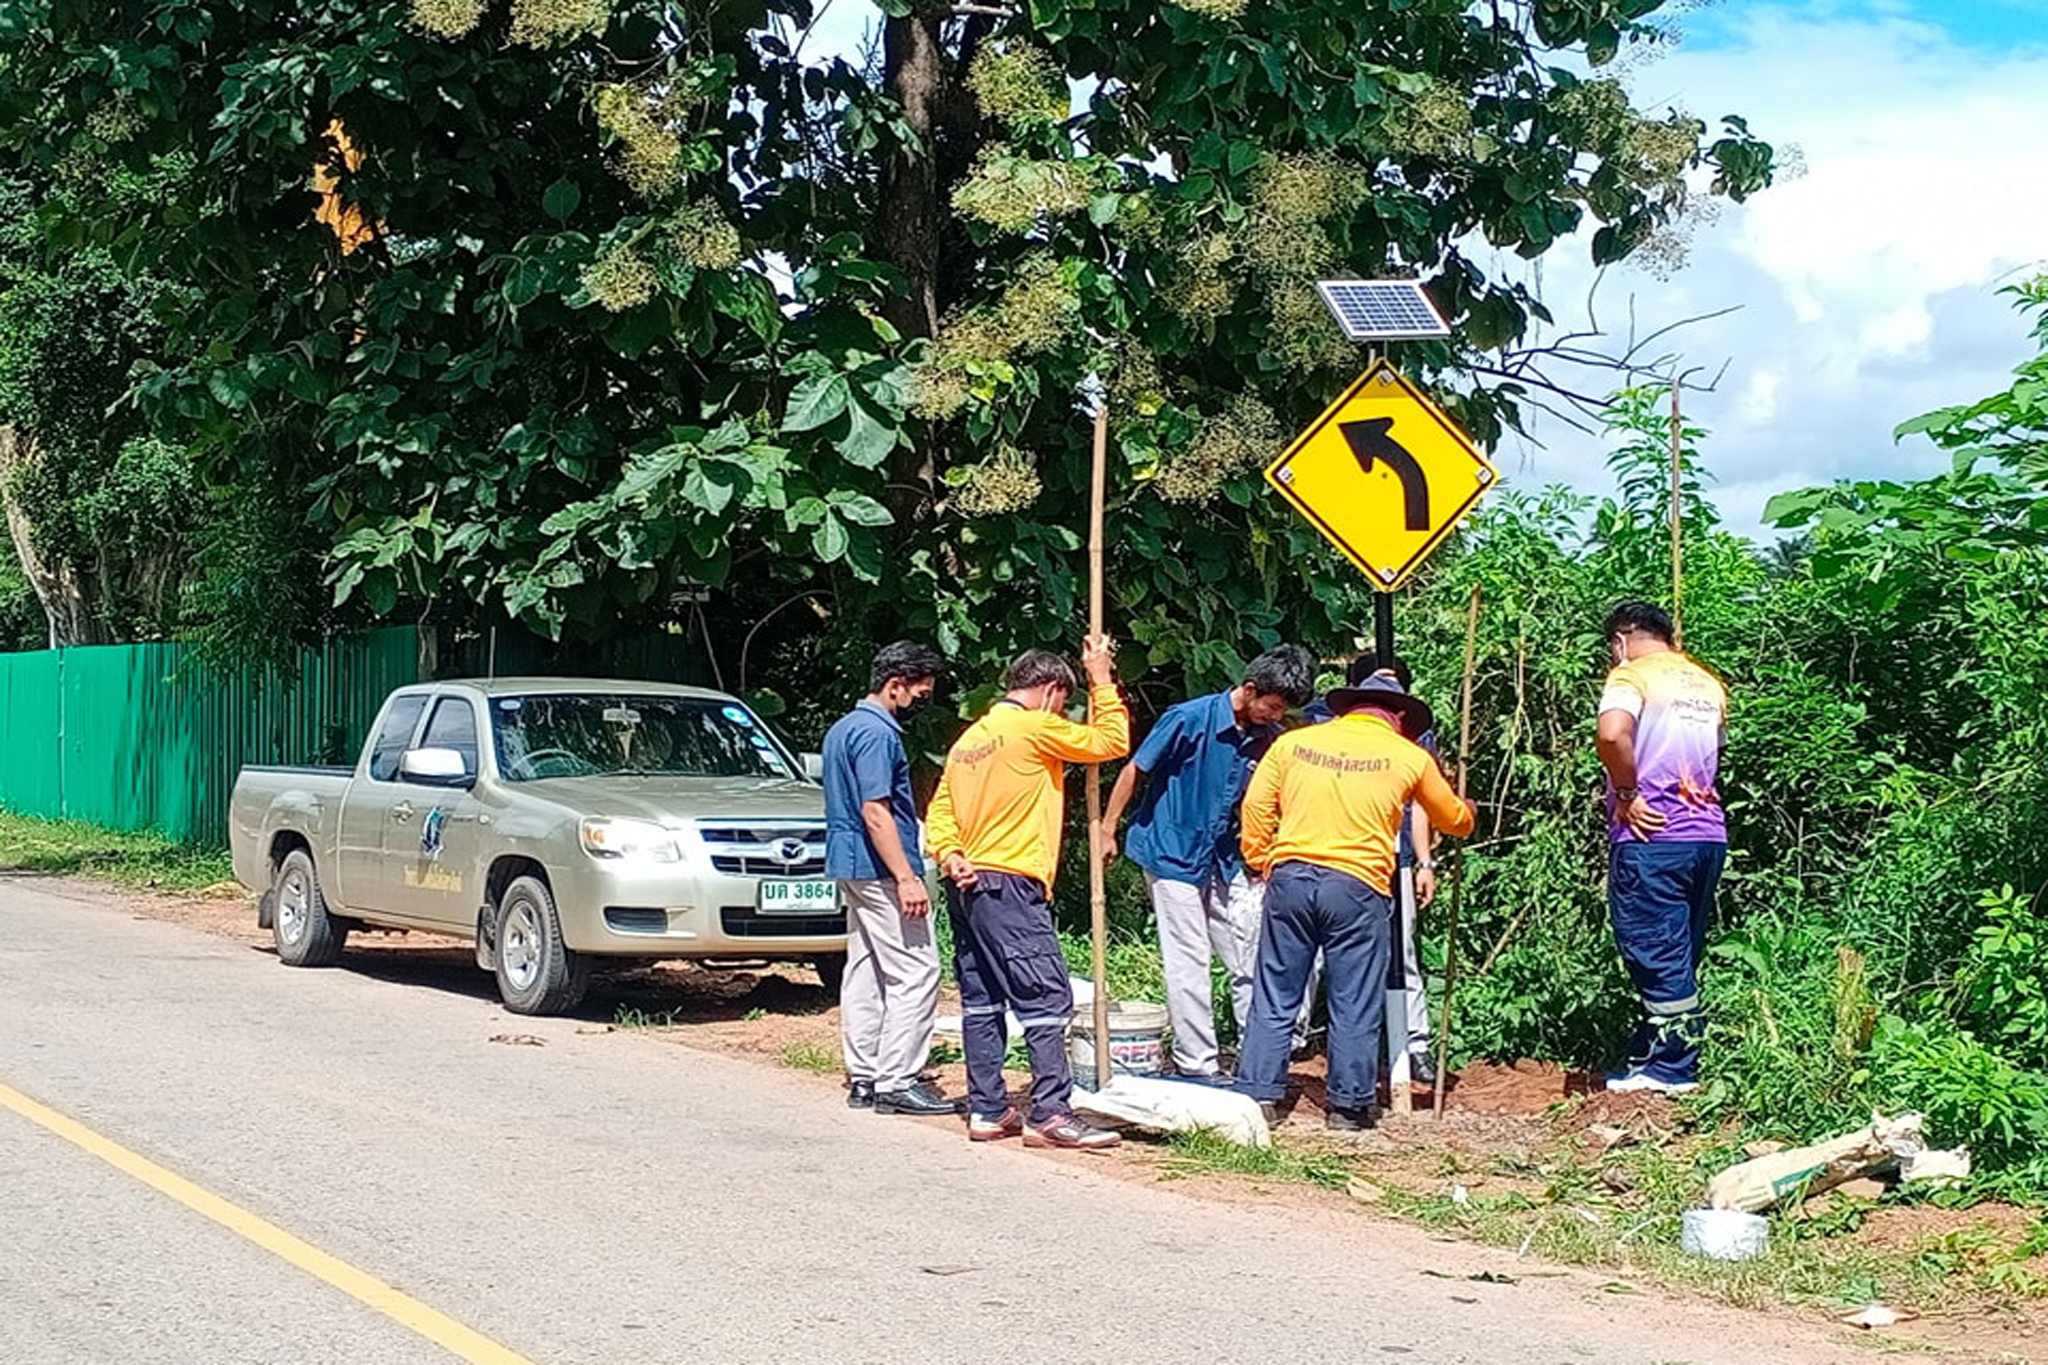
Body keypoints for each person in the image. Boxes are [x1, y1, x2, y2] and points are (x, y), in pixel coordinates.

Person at [1235, 675, 1475, 1129]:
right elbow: (1454, 820)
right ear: (1399, 717)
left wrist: (1260, 858)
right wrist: (1469, 811)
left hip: (1291, 876)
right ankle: (1347, 1107)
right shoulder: (1410, 756)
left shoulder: (1294, 743)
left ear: (1349, 708)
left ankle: (1257, 1097)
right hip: (1357, 885)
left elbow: (1256, 806)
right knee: (1354, 998)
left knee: (1276, 991)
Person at [925, 638, 1130, 1150]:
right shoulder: (1034, 727)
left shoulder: (971, 739)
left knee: (982, 1000)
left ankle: (989, 1110)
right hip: (1012, 881)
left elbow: (941, 813)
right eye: (1063, 702)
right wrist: (1101, 677)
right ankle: (1051, 1113)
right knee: (1045, 996)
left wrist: (950, 855)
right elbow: (1110, 741)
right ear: (1048, 691)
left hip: (967, 881)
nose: (1063, 713)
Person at [1098, 646, 1316, 1083]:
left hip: (1223, 858)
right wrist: (1107, 828)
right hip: (1171, 852)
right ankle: (1196, 1063)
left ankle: (1257, 1058)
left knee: (1245, 954)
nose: (1276, 716)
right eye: (1272, 706)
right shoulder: (1189, 718)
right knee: (1189, 958)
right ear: (1250, 689)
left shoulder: (1266, 736)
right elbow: (1134, 771)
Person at [1595, 601, 1728, 1095]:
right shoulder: (1707, 682)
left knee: (1653, 948)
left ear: (1622, 639)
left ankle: (1673, 1069)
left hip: (1652, 835)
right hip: (1706, 834)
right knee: (1680, 951)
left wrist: (1627, 794)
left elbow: (1612, 735)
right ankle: (1653, 1052)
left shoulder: (1631, 675)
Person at [823, 641, 955, 1117]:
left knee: (866, 969)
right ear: (895, 685)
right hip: (881, 868)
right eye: (919, 693)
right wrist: (906, 877)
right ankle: (897, 1078)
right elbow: (875, 812)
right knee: (917, 972)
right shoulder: (878, 735)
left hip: (851, 864)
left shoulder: (844, 728)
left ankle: (864, 1075)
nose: (922, 702)